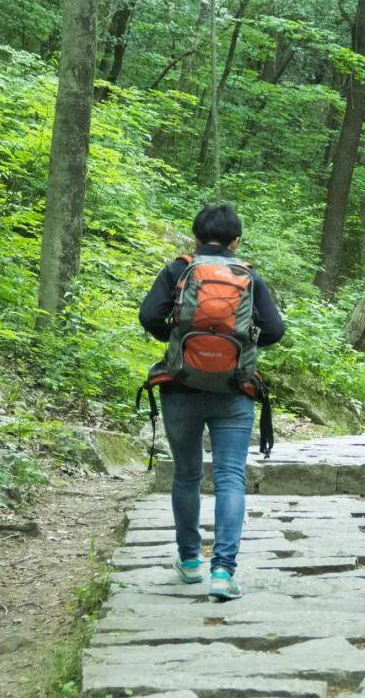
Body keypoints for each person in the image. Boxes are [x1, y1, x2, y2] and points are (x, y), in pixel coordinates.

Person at [139, 203, 285, 602]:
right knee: (229, 478)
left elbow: (149, 316)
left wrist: (177, 334)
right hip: (234, 391)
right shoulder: (248, 275)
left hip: (181, 386)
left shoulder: (178, 269)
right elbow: (274, 330)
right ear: (236, 241)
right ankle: (223, 571)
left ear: (196, 237)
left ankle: (189, 562)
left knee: (186, 475)